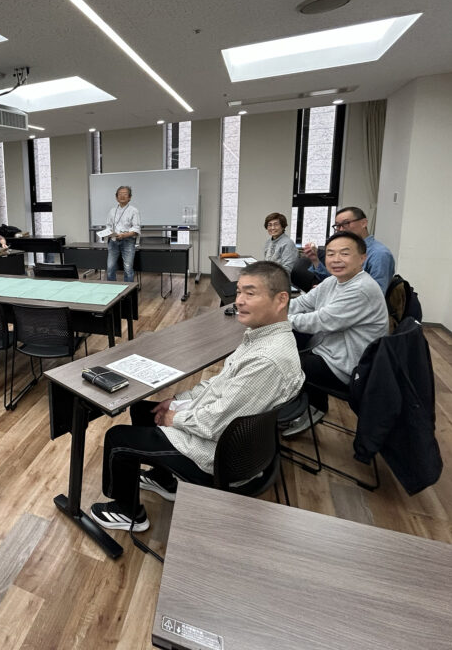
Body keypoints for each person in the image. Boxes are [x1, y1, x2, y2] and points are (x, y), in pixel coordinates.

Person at [90, 261, 304, 531]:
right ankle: (164, 480)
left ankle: (128, 512)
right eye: (239, 292)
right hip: (233, 439)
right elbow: (219, 384)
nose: (239, 301)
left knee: (117, 438)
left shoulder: (267, 360)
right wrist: (176, 402)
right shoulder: (262, 337)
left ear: (281, 299)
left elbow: (214, 424)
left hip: (220, 456)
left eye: (250, 293)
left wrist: (174, 418)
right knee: (143, 410)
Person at [282, 231, 389, 436]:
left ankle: (298, 409)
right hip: (329, 350)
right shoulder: (334, 281)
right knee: (286, 345)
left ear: (362, 258)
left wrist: (275, 318)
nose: (336, 259)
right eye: (331, 254)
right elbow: (303, 303)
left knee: (281, 362)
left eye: (344, 253)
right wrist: (273, 308)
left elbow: (320, 321)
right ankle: (312, 405)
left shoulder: (361, 289)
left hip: (348, 367)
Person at [298, 206, 395, 293]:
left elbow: (375, 294)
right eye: (337, 226)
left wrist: (333, 292)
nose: (341, 229)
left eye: (346, 223)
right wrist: (315, 260)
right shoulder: (347, 249)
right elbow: (336, 280)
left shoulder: (379, 254)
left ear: (363, 223)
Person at [104, 185, 140, 282]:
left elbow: (136, 229)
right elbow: (108, 226)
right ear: (116, 197)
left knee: (128, 269)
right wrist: (108, 233)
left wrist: (124, 235)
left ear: (129, 197)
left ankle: (129, 290)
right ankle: (111, 289)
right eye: (120, 194)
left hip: (128, 241)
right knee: (110, 268)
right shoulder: (112, 211)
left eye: (125, 194)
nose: (122, 196)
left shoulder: (134, 211)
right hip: (113, 241)